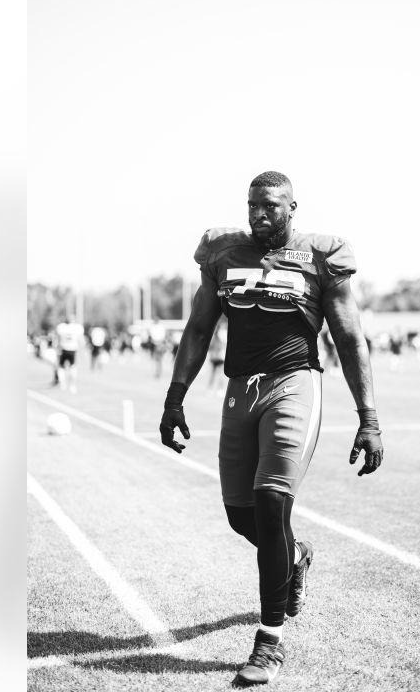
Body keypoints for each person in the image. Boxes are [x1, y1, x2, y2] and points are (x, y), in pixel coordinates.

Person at [158, 171, 384, 686]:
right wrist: (175, 399)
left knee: (270, 502)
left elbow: (350, 338)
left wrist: (368, 419)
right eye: (252, 206)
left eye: (271, 207)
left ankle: (269, 641)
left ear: (292, 207)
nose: (260, 216)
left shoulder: (322, 257)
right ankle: (297, 556)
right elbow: (198, 328)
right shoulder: (222, 254)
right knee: (242, 518)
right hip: (240, 391)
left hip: (293, 384)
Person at [53, 320, 83, 392]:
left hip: (64, 349)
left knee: (62, 367)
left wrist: (57, 348)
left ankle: (63, 384)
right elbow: (80, 340)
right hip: (72, 350)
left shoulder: (62, 327)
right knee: (72, 367)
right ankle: (71, 386)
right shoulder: (76, 328)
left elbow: (58, 339)